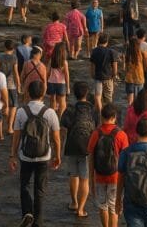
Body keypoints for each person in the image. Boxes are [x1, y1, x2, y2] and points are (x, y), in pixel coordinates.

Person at [9, 81, 62, 227]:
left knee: (24, 185)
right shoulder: (50, 112)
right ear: (43, 94)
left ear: (28, 93)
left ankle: (27, 212)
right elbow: (57, 139)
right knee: (39, 189)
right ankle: (38, 222)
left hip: (25, 155)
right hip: (44, 156)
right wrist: (58, 156)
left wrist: (12, 155)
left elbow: (16, 136)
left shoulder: (21, 111)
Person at [88, 103, 130, 227]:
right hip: (116, 177)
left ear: (101, 117)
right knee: (113, 207)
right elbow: (125, 159)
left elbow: (90, 156)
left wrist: (91, 178)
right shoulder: (121, 134)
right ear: (115, 117)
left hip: (100, 176)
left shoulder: (96, 133)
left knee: (102, 206)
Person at [60, 81, 96, 219]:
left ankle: (74, 202)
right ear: (87, 94)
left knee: (73, 175)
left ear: (74, 94)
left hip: (72, 145)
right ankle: (81, 209)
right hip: (87, 147)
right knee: (85, 179)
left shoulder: (69, 109)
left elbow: (63, 126)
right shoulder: (93, 110)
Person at [90, 33, 119, 112]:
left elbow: (92, 65)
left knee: (98, 97)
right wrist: (114, 75)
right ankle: (108, 113)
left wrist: (93, 74)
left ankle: (100, 113)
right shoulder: (111, 52)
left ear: (99, 41)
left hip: (98, 77)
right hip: (108, 77)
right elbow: (115, 66)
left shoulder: (94, 51)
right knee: (109, 97)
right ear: (107, 42)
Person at [0, 40, 21, 138]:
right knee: (13, 106)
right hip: (11, 84)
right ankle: (10, 127)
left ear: (5, 47)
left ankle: (0, 131)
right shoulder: (14, 57)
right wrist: (19, 84)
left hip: (0, 84)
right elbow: (15, 72)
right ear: (13, 48)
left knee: (1, 105)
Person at [47, 41, 71, 118]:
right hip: (61, 83)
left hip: (51, 82)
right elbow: (67, 75)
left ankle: (52, 118)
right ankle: (59, 119)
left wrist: (46, 82)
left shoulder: (51, 60)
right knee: (62, 104)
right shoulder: (64, 62)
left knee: (52, 102)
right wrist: (68, 87)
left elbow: (47, 72)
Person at [124, 37, 146, 105]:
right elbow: (145, 65)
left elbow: (125, 68)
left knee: (130, 102)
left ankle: (130, 113)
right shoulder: (141, 53)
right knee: (139, 100)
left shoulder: (127, 54)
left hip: (129, 79)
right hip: (139, 78)